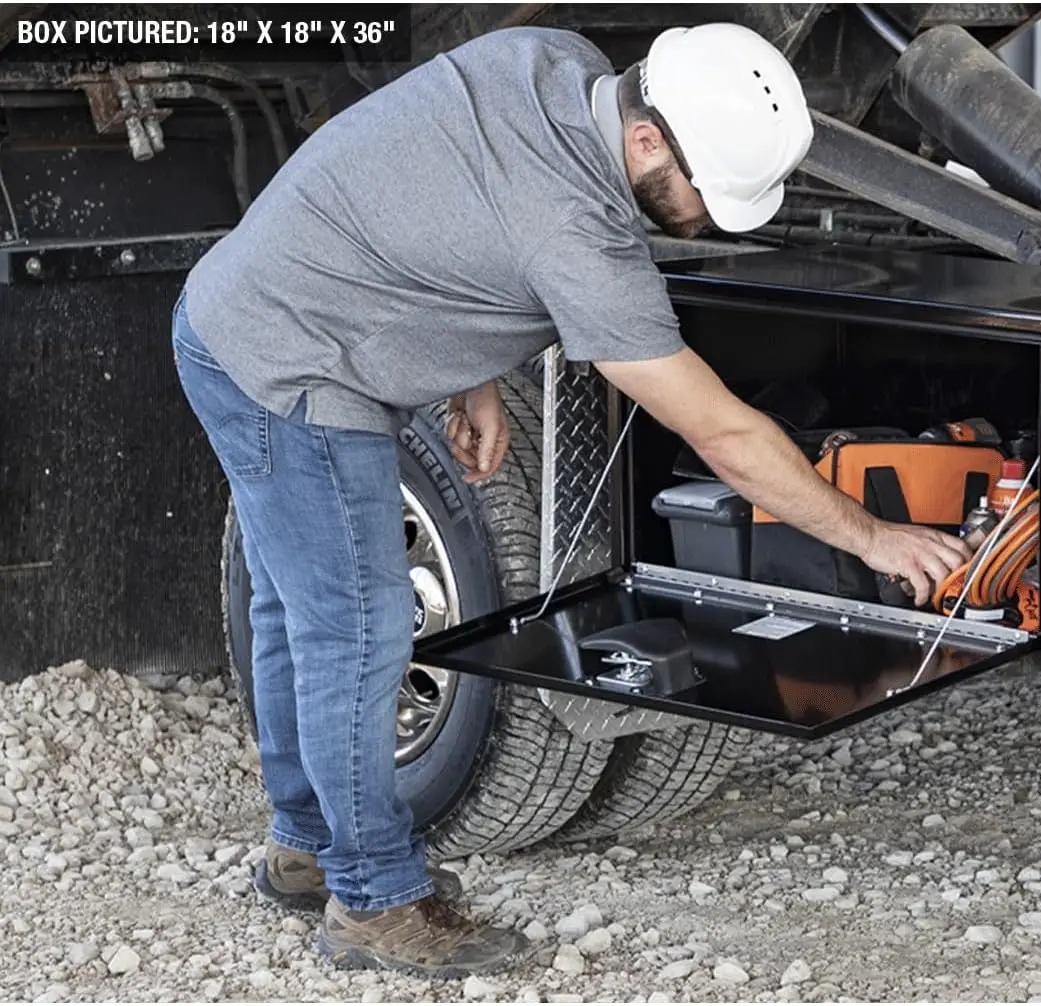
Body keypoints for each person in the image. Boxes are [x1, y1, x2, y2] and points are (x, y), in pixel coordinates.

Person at [171, 22, 971, 977]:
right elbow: (725, 436)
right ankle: (372, 904)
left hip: (240, 310)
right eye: (704, 197)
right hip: (285, 363)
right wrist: (873, 535)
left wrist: (468, 368)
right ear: (645, 143)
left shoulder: (556, 63)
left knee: (290, 604)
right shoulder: (578, 230)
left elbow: (440, 184)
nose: (709, 222)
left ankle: (307, 846)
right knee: (355, 625)